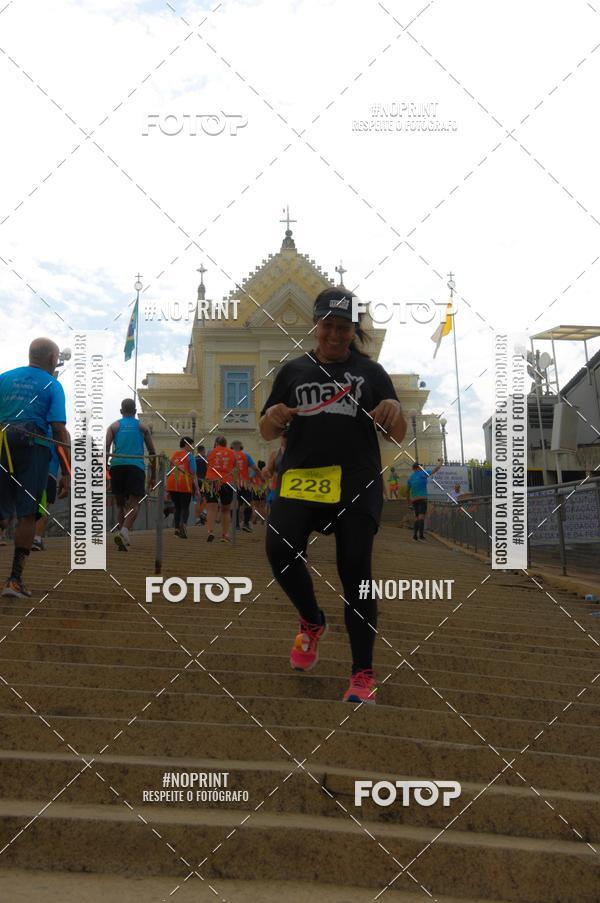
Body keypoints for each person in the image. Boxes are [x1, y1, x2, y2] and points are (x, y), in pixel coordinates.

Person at [260, 287, 406, 704]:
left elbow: (396, 434)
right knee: (279, 549)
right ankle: (311, 620)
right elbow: (268, 431)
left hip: (356, 483)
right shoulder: (292, 372)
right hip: (302, 479)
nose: (335, 336)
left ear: (354, 331)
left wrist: (396, 412)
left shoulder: (371, 373)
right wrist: (270, 417)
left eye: (344, 329)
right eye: (329, 327)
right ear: (316, 325)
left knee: (356, 572)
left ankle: (362, 674)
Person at [0, 338, 70, 597]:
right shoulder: (53, 384)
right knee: (28, 514)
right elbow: (58, 429)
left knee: (2, 513)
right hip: (34, 446)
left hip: (2, 442)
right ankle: (14, 580)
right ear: (53, 359)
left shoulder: (4, 377)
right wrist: (66, 472)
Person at [106, 399, 156, 551]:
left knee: (120, 504)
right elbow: (152, 452)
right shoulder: (142, 427)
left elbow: (106, 448)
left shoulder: (113, 426)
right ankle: (124, 532)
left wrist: (105, 470)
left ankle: (123, 538)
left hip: (117, 466)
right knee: (135, 503)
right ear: (135, 412)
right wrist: (153, 475)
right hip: (135, 466)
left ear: (121, 411)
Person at [32, 424, 61, 551]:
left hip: (31, 471)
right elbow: (65, 454)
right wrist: (66, 475)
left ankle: (30, 537)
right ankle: (36, 538)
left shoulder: (33, 425)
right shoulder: (59, 430)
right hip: (50, 472)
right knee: (44, 507)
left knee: (32, 505)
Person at [166, 437, 200, 539]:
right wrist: (197, 489)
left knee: (177, 507)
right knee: (185, 507)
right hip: (184, 484)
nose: (193, 447)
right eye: (192, 445)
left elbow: (169, 471)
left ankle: (176, 529)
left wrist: (166, 489)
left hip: (172, 484)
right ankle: (183, 526)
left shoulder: (174, 455)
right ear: (186, 445)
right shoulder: (190, 456)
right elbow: (193, 474)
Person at [204, 436, 236, 543]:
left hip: (212, 481)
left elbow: (207, 464)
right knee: (225, 510)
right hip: (226, 481)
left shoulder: (210, 452)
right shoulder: (231, 453)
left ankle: (210, 531)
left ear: (216, 443)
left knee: (211, 508)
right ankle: (225, 534)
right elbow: (235, 467)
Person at [407, 459, 443, 541]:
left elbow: (407, 490)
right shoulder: (423, 473)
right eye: (420, 466)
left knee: (416, 518)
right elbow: (436, 469)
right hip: (422, 499)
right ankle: (421, 536)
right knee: (421, 517)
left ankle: (415, 535)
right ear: (418, 467)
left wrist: (408, 502)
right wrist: (441, 462)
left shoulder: (410, 478)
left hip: (414, 500)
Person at [230, 440, 257, 533]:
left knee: (235, 504)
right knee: (248, 503)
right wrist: (251, 477)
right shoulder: (246, 456)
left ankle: (236, 525)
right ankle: (245, 523)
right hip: (245, 484)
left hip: (233, 484)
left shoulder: (230, 457)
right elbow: (255, 469)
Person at [194, 445, 208, 525]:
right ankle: (204, 512)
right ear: (203, 451)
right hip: (204, 481)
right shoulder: (206, 460)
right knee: (206, 498)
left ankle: (197, 519)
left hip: (196, 481)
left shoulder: (195, 459)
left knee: (197, 500)